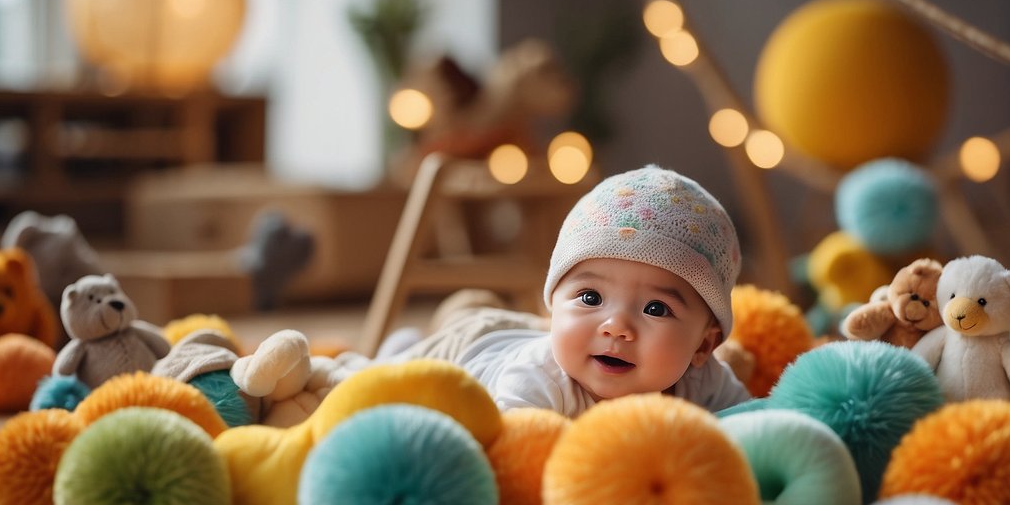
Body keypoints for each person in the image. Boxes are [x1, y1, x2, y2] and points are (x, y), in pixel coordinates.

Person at [256, 165, 750, 417]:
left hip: (513, 330)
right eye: (590, 298)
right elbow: (514, 456)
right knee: (369, 385)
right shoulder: (539, 382)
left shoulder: (702, 383)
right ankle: (397, 350)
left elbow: (760, 424)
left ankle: (406, 339)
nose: (615, 326)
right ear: (553, 302)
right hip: (468, 351)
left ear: (704, 345)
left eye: (656, 308)